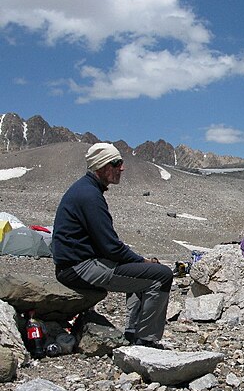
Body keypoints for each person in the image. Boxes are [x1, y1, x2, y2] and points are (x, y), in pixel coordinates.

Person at [52, 143, 172, 349]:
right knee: (161, 276)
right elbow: (111, 247)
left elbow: (107, 246)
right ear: (102, 167)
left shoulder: (86, 189)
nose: (122, 168)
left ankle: (132, 331)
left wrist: (138, 261)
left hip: (75, 264)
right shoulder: (90, 196)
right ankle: (146, 341)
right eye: (116, 163)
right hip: (79, 268)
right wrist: (142, 260)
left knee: (140, 271)